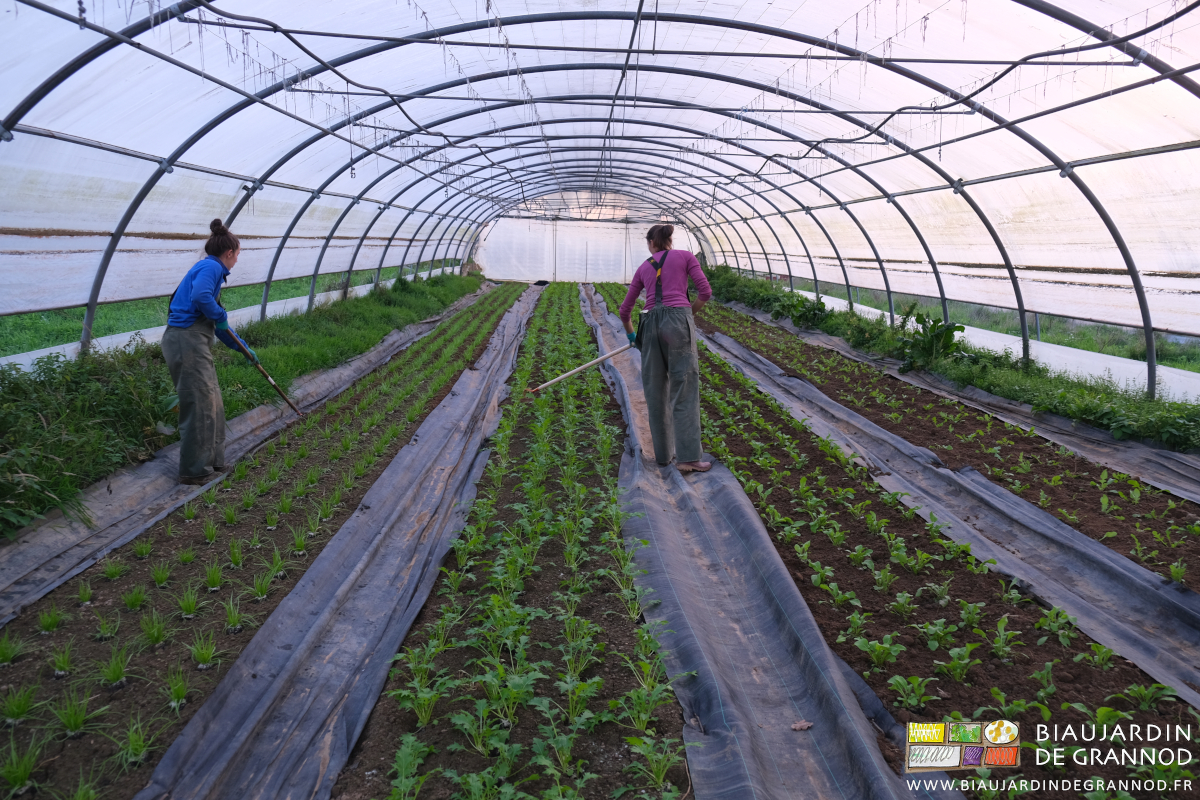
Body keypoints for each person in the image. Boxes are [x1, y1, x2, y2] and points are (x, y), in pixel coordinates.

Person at [162, 219, 259, 485]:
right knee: (200, 405)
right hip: (185, 341)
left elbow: (217, 324)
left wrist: (243, 348)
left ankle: (214, 463)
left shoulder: (212, 271)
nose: (237, 260)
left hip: (195, 342)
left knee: (213, 402)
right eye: (238, 254)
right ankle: (194, 471)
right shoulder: (211, 266)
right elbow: (201, 298)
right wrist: (221, 314)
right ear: (229, 253)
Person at [619, 224, 714, 473]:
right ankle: (688, 458)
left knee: (655, 389)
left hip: (649, 325)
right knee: (684, 388)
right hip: (678, 325)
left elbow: (624, 310)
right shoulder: (685, 256)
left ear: (651, 243)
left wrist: (631, 335)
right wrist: (686, 316)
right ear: (670, 240)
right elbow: (705, 291)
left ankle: (663, 457)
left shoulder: (643, 267)